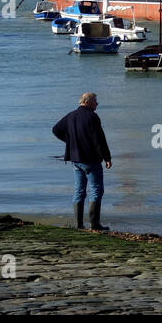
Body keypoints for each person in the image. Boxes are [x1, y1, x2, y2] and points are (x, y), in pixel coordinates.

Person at [52, 92, 113, 231]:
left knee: (79, 190)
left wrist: (71, 142)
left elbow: (56, 130)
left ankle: (79, 225)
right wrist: (107, 158)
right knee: (96, 189)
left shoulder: (71, 115)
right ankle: (95, 224)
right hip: (90, 160)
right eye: (95, 101)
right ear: (87, 102)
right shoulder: (92, 117)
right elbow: (99, 140)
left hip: (75, 160)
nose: (97, 104)